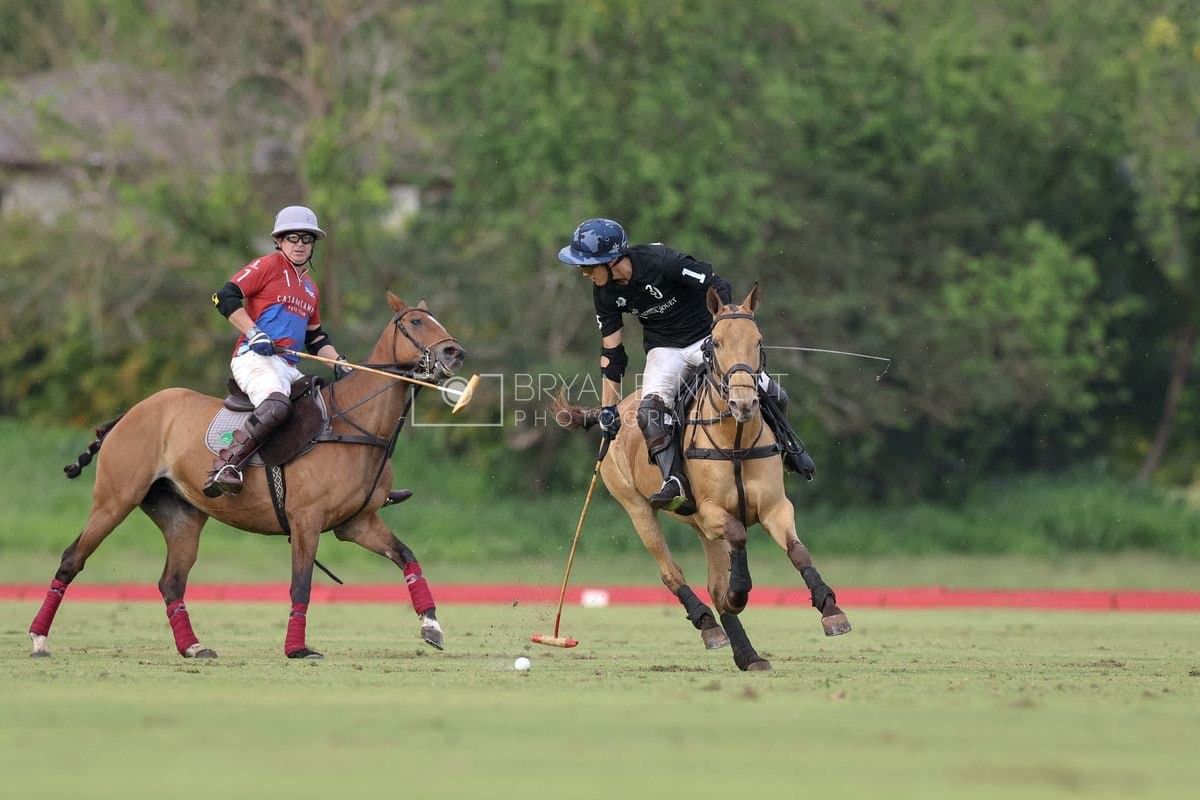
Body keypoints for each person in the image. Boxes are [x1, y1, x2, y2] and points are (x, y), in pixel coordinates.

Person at [558, 218, 735, 515]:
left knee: (764, 388)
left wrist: (725, 332)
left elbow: (717, 284)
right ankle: (675, 481)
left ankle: (788, 451)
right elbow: (612, 353)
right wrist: (608, 408)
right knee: (649, 410)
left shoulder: (661, 261)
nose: (585, 274)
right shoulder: (604, 293)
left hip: (707, 335)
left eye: (588, 267)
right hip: (665, 348)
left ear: (612, 260)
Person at [203, 205, 349, 497]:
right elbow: (224, 296)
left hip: (289, 367)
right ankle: (226, 465)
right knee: (277, 404)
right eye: (292, 238)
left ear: (312, 246)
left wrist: (340, 362)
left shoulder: (310, 288)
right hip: (255, 358)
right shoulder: (268, 266)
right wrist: (254, 332)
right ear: (279, 241)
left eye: (306, 239)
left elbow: (316, 338)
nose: (299, 245)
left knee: (327, 407)